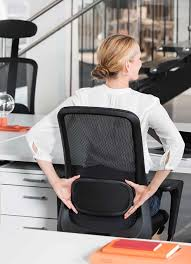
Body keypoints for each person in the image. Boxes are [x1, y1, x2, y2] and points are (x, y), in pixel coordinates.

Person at [26, 34, 185, 220]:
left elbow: (36, 136)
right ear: (127, 66)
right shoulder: (147, 103)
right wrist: (151, 188)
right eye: (138, 59)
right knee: (156, 209)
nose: (141, 63)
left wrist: (55, 182)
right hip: (130, 202)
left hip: (85, 199)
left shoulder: (82, 98)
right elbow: (176, 145)